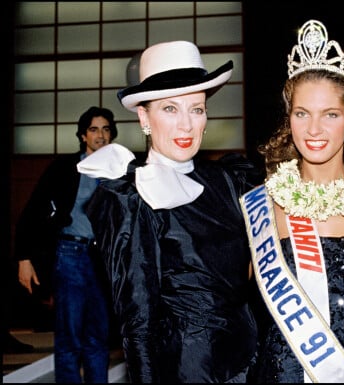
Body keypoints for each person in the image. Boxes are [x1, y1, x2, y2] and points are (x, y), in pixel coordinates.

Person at [76, 40, 260, 383]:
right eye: (170, 109)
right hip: (186, 372)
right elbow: (139, 324)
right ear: (144, 116)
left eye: (197, 109)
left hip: (250, 363)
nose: (187, 126)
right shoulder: (130, 198)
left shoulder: (230, 180)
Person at [241, 19, 344, 383]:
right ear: (290, 118)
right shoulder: (264, 204)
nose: (314, 129)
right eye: (302, 113)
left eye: (330, 114)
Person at [15, 106, 117, 383]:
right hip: (70, 254)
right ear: (83, 135)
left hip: (104, 260)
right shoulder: (65, 167)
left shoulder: (120, 171)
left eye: (106, 129)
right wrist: (24, 257)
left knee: (98, 336)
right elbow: (33, 209)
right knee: (69, 336)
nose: (101, 135)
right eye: (94, 129)